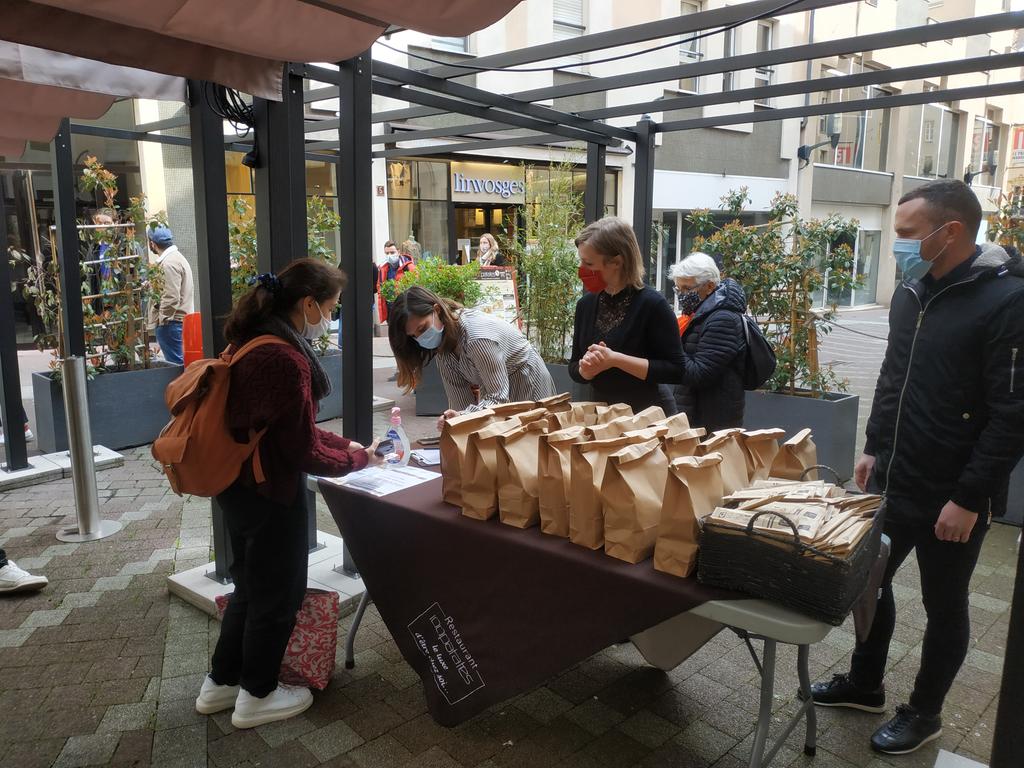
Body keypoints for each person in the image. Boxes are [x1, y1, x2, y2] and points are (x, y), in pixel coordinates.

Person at [807, 179, 1024, 755]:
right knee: (867, 583)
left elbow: (1013, 414)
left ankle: (924, 712)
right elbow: (892, 375)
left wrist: (970, 497)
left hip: (952, 492)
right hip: (893, 476)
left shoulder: (1008, 301)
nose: (897, 246)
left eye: (905, 234)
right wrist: (874, 445)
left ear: (948, 231)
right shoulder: (911, 292)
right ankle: (865, 683)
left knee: (944, 603)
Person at [196, 258, 380, 729]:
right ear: (308, 304)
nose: (331, 318)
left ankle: (222, 682)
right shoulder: (284, 358)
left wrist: (349, 445)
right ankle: (257, 695)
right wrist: (357, 460)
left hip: (238, 488)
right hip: (270, 493)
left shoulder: (251, 341)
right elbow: (301, 450)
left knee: (250, 588)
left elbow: (290, 432)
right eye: (332, 308)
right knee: (278, 595)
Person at [388, 285, 556, 430]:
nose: (421, 337)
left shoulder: (477, 338)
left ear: (436, 310)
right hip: (494, 388)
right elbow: (459, 403)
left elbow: (498, 398)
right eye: (414, 335)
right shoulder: (443, 350)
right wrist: (454, 420)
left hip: (527, 378)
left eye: (422, 328)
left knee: (534, 441)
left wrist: (463, 416)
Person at [569, 216, 684, 413]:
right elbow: (574, 367)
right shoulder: (586, 305)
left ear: (616, 262)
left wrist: (615, 359)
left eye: (588, 263)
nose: (581, 270)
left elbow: (676, 370)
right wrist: (586, 369)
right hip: (603, 415)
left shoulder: (653, 304)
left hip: (649, 418)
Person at [670, 253, 747, 432]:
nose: (682, 296)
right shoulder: (699, 314)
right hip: (697, 416)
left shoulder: (723, 319)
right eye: (678, 290)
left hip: (711, 423)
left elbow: (699, 374)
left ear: (710, 286)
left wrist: (669, 344)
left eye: (687, 289)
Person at [146, 226, 194, 366]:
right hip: (175, 322)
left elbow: (171, 296)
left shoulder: (168, 263)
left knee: (176, 367)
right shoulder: (175, 258)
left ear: (152, 243)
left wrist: (163, 319)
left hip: (171, 323)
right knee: (180, 364)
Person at [375, 240, 415, 324]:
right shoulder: (382, 269)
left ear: (398, 251)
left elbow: (416, 285)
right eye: (387, 253)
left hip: (404, 308)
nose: (389, 256)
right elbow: (380, 286)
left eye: (392, 252)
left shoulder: (408, 267)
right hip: (390, 309)